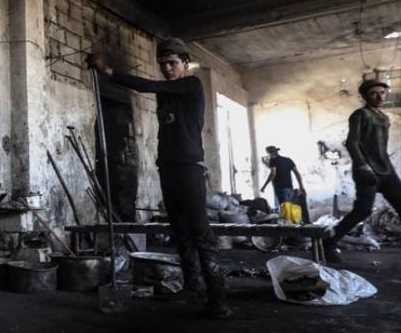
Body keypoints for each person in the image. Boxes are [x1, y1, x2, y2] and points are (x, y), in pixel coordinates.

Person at [88, 38, 231, 318]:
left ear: (185, 63)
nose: (167, 68)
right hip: (168, 168)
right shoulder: (167, 94)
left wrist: (107, 71)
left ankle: (218, 299)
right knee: (180, 230)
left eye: (172, 63)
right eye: (163, 64)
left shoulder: (191, 84)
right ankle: (193, 286)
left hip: (189, 169)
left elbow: (147, 85)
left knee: (200, 231)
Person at [323, 79, 401, 262]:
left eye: (382, 93)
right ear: (365, 96)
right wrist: (362, 165)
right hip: (366, 170)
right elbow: (352, 142)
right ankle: (329, 243)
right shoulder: (360, 115)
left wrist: (389, 168)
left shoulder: (383, 117)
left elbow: (381, 147)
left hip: (386, 169)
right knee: (363, 211)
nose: (379, 97)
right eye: (374, 93)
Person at [260, 146, 305, 210]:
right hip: (290, 188)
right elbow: (297, 174)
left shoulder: (273, 160)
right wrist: (301, 187)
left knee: (285, 210)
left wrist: (264, 186)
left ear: (270, 153)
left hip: (280, 189)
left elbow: (273, 173)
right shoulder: (288, 160)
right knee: (291, 210)